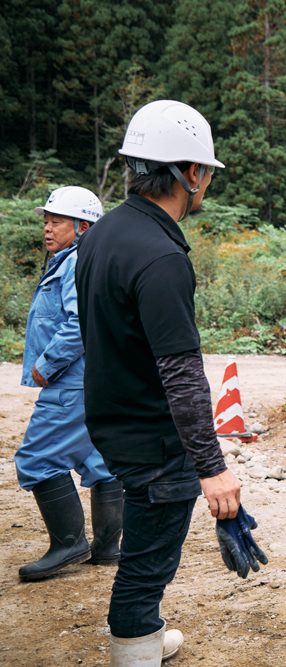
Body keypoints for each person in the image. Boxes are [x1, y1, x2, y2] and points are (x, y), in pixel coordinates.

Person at [76, 100, 266, 667]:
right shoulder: (162, 256)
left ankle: (147, 634)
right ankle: (134, 650)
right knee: (147, 561)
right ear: (191, 172)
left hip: (112, 422)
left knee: (145, 547)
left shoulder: (102, 233)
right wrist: (212, 469)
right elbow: (182, 376)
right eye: (205, 170)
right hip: (155, 442)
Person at [16, 186, 122, 582]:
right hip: (89, 381)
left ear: (82, 226)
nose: (46, 228)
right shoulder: (72, 261)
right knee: (100, 462)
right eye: (45, 220)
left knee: (35, 459)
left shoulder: (76, 263)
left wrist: (45, 365)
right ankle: (109, 545)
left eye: (55, 221)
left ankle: (69, 544)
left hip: (70, 384)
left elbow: (78, 324)